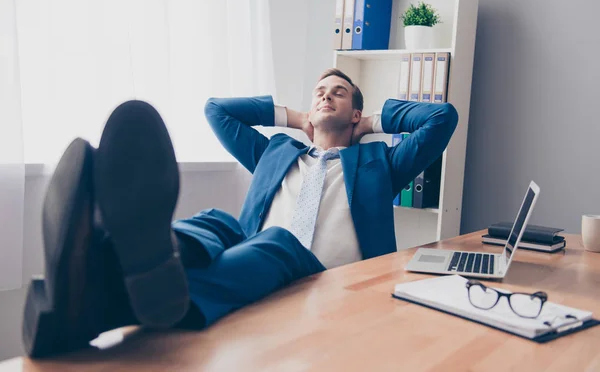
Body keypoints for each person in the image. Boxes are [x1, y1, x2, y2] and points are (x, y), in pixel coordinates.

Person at [22, 68, 458, 358]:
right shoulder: (277, 151)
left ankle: (88, 295)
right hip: (256, 267)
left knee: (278, 242)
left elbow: (442, 118)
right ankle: (113, 266)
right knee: (218, 222)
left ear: (355, 112)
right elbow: (217, 111)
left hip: (330, 283)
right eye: (319, 93)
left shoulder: (381, 163)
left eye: (338, 93)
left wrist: (374, 122)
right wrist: (291, 116)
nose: (326, 97)